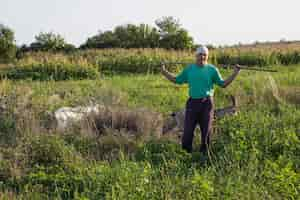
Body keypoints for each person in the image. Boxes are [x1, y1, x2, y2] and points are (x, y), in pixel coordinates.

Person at [161, 46, 241, 153]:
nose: (202, 57)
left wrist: (235, 72)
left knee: (206, 131)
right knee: (188, 131)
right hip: (192, 103)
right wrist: (164, 71)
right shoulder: (189, 69)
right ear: (196, 56)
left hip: (207, 103)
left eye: (205, 55)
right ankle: (186, 153)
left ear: (207, 57)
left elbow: (223, 84)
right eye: (200, 54)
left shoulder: (212, 70)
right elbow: (176, 80)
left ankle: (204, 154)